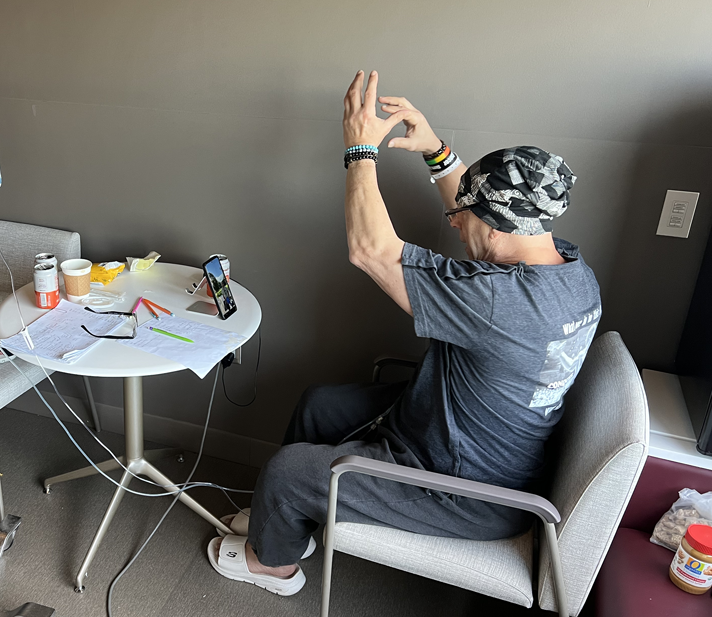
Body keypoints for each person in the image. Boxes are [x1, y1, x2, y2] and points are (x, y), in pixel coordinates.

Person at [205, 71, 602, 596]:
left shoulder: (496, 298)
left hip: (466, 490)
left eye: (467, 216)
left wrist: (360, 149)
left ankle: (272, 565)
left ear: (502, 226)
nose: (455, 223)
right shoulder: (568, 273)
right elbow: (485, 213)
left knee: (288, 470)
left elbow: (370, 251)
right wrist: (436, 150)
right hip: (461, 436)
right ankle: (285, 526)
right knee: (319, 406)